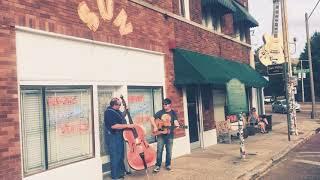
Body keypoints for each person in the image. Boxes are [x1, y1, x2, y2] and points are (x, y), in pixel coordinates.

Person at [104, 97, 135, 180]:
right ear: (114, 105)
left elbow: (121, 117)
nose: (120, 106)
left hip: (119, 136)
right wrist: (128, 125)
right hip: (113, 137)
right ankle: (115, 176)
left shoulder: (117, 111)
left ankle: (121, 173)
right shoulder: (108, 112)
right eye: (119, 105)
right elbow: (114, 126)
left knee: (120, 155)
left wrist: (126, 111)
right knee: (115, 156)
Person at [152, 98, 180, 172]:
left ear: (170, 105)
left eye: (166, 104)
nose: (164, 105)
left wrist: (177, 125)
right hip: (160, 135)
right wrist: (155, 126)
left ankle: (168, 165)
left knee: (169, 151)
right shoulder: (160, 112)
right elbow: (151, 118)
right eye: (163, 104)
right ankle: (158, 165)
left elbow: (176, 122)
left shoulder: (173, 113)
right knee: (159, 150)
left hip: (169, 135)